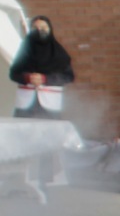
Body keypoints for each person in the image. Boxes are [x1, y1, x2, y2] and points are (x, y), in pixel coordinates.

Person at [9, 14, 76, 188]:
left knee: (47, 140)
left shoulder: (59, 53)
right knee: (23, 139)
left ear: (50, 30)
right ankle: (22, 178)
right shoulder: (24, 52)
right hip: (27, 104)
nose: (40, 32)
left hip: (49, 104)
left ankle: (46, 178)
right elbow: (13, 73)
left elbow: (68, 76)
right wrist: (28, 77)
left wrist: (45, 79)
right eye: (36, 29)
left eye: (43, 29)